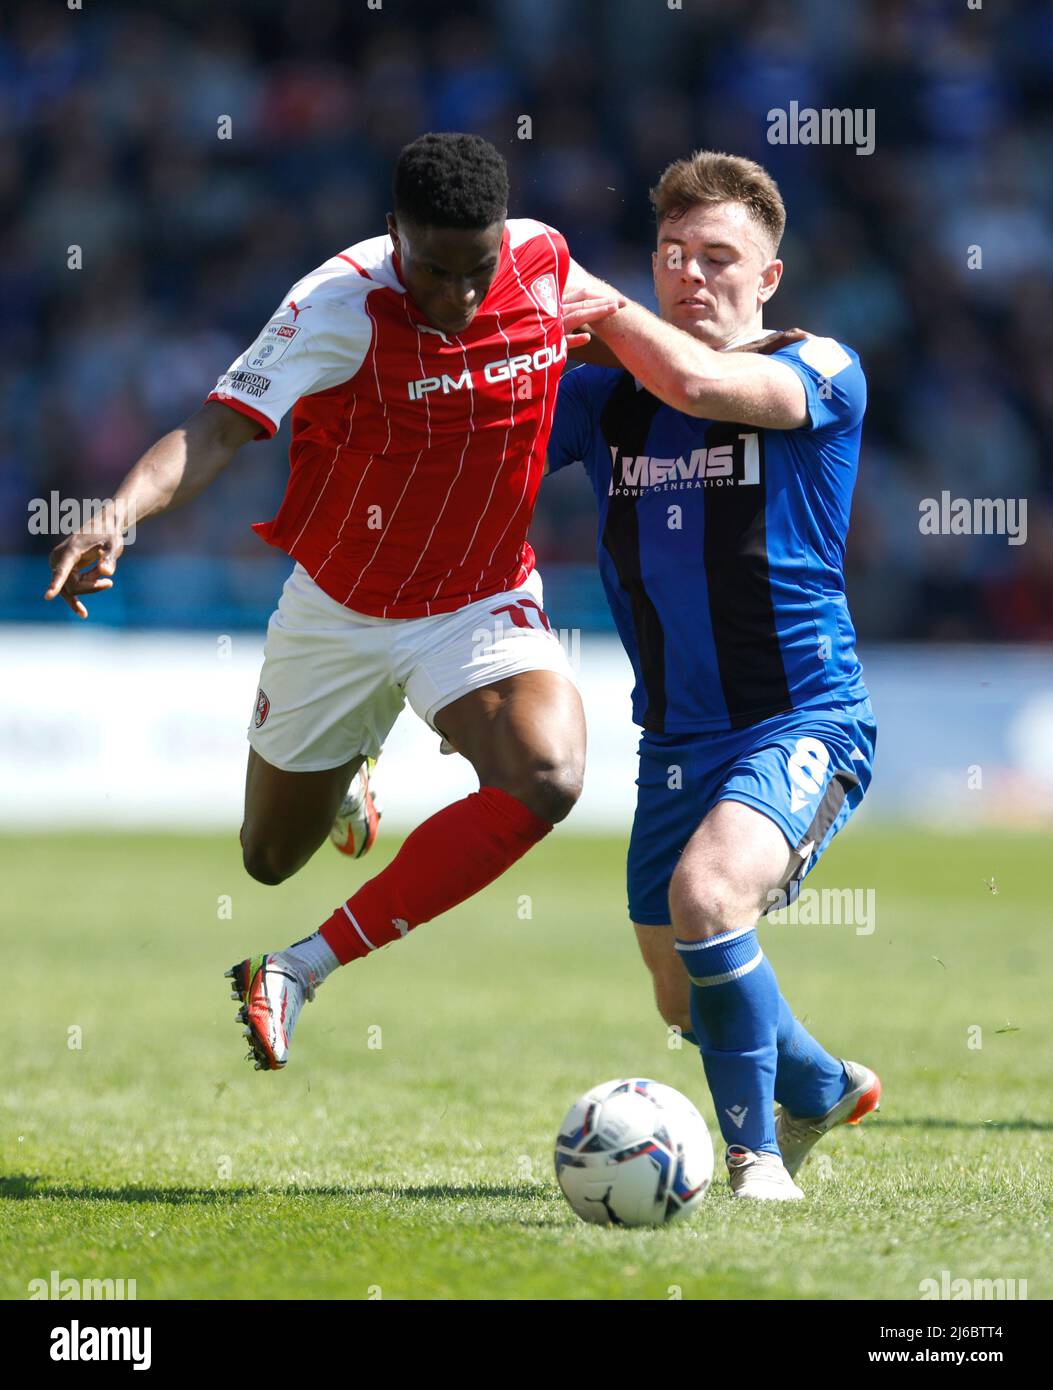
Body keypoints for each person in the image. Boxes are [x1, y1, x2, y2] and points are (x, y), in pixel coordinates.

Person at [45, 132, 623, 1072]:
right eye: (436, 272)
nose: (462, 296)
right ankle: (351, 766)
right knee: (268, 858)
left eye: (478, 271)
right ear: (393, 233)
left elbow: (622, 329)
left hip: (478, 602)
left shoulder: (543, 258)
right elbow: (216, 431)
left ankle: (296, 968)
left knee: (547, 775)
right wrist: (117, 514)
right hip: (341, 610)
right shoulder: (335, 303)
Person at [546, 149, 881, 1200]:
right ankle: (822, 1084)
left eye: (719, 256)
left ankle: (755, 1162)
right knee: (682, 993)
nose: (691, 274)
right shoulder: (607, 402)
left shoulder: (818, 366)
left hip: (804, 717)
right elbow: (476, 442)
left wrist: (593, 308)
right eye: (672, 254)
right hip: (676, 740)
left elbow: (699, 381)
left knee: (708, 897)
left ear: (769, 276)